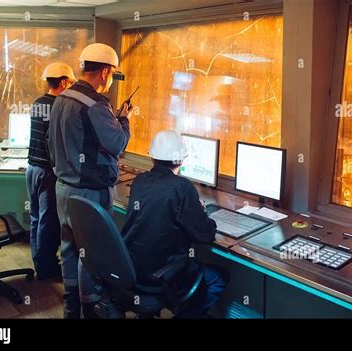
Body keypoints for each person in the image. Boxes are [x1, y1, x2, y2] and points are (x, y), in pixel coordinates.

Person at [47, 43, 132, 319]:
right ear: (106, 71)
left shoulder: (62, 98)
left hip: (63, 188)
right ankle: (90, 310)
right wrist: (125, 120)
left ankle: (71, 308)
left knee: (70, 248)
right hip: (89, 194)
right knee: (91, 254)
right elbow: (116, 143)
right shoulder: (96, 103)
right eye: (112, 73)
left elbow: (53, 143)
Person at [121, 131, 228, 318]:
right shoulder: (182, 187)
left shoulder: (139, 182)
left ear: (152, 157)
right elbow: (205, 235)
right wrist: (200, 211)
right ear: (181, 160)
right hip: (162, 276)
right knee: (218, 278)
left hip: (132, 269)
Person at [26, 62, 75, 280]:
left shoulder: (38, 102)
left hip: (32, 169)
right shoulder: (57, 107)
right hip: (47, 171)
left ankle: (39, 263)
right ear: (63, 82)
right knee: (48, 221)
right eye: (71, 83)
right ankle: (47, 270)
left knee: (36, 218)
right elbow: (55, 144)